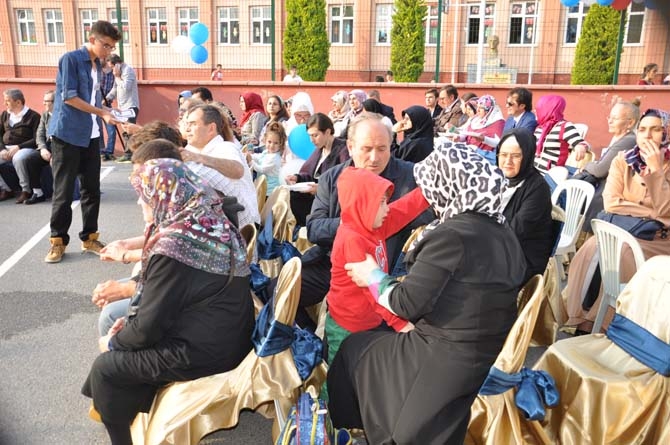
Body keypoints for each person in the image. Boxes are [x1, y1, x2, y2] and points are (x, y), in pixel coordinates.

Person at [327, 140, 527, 445]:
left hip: (445, 352)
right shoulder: (502, 230)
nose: (432, 198)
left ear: (446, 186)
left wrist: (374, 276)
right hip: (487, 345)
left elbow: (406, 304)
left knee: (354, 350)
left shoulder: (451, 235)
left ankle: (358, 425)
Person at [82, 158, 254, 445]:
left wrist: (113, 343)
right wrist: (128, 329)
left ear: (165, 195)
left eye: (144, 196)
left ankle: (120, 432)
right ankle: (117, 404)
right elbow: (168, 302)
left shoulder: (176, 244)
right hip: (230, 335)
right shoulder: (207, 220)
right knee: (122, 348)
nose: (140, 204)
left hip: (208, 350)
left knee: (107, 366)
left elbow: (149, 326)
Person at [297, 114, 434, 329]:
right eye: (367, 148)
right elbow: (314, 228)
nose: (374, 158)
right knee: (278, 291)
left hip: (389, 272)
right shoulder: (332, 177)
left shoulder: (413, 176)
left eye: (382, 149)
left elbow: (409, 215)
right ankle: (307, 342)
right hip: (333, 266)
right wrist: (354, 224)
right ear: (350, 147)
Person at [564, 108, 670, 333]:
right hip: (627, 231)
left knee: (622, 253)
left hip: (659, 239)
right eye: (642, 130)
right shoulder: (624, 159)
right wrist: (651, 214)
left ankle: (611, 324)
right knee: (592, 247)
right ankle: (584, 320)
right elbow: (611, 202)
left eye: (655, 130)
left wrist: (657, 171)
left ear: (666, 133)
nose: (647, 136)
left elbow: (666, 208)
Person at [325, 166, 429, 364]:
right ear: (362, 205)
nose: (387, 208)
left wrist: (430, 191)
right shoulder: (352, 239)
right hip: (347, 325)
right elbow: (371, 289)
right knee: (341, 369)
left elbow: (404, 209)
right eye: (380, 203)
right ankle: (327, 396)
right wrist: (400, 324)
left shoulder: (372, 225)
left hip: (370, 318)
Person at [45, 20, 121, 263]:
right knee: (64, 192)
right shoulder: (70, 59)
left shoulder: (97, 65)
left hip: (91, 135)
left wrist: (110, 115)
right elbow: (69, 97)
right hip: (67, 134)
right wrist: (102, 113)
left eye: (112, 48)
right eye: (106, 46)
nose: (109, 51)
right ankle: (58, 241)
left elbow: (93, 98)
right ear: (92, 39)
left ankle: (89, 237)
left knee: (92, 190)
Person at [181, 104, 260, 229]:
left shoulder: (225, 147)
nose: (187, 129)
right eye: (187, 124)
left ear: (211, 128)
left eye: (193, 124)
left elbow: (237, 170)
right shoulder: (193, 149)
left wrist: (198, 158)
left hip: (241, 230)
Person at [572, 100, 639, 231]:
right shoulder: (621, 139)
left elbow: (599, 170)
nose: (610, 121)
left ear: (630, 123)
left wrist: (587, 165)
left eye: (615, 118)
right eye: (610, 117)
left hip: (607, 196)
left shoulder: (628, 141)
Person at [497, 128, 554, 281]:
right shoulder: (495, 178)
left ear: (527, 156)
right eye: (503, 155)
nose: (508, 161)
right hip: (496, 247)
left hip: (522, 257)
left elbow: (517, 230)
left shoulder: (537, 188)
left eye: (515, 156)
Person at [286, 112, 349, 226]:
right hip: (315, 196)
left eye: (315, 135)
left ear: (328, 132)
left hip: (331, 203)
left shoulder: (343, 150)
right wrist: (297, 178)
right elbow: (310, 173)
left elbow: (346, 180)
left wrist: (321, 189)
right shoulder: (320, 149)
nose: (311, 140)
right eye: (309, 136)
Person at [11, 90, 56, 205]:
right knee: (30, 159)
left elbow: (63, 137)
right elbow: (39, 135)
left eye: (47, 101)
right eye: (44, 101)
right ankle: (38, 192)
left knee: (58, 162)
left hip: (60, 148)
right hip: (47, 147)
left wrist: (55, 154)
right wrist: (42, 149)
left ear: (56, 102)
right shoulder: (45, 115)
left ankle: (58, 192)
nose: (44, 103)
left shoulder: (62, 116)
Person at [0, 88, 41, 203]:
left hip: (26, 148)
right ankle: (6, 189)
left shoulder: (34, 116)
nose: (5, 103)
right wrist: (2, 149)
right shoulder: (4, 115)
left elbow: (36, 138)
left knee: (19, 158)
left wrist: (18, 147)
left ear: (18, 102)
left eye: (7, 101)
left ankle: (26, 190)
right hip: (6, 148)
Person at [533, 94, 589, 174]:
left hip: (551, 175)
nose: (535, 111)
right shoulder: (539, 127)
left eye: (538, 108)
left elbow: (581, 142)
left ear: (549, 109)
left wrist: (580, 146)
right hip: (533, 173)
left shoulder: (564, 126)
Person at [105, 54, 139, 163]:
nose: (111, 70)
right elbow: (115, 89)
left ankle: (130, 154)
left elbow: (126, 87)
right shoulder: (117, 75)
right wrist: (107, 98)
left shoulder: (128, 71)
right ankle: (128, 153)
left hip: (130, 106)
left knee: (129, 130)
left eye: (112, 67)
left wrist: (118, 76)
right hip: (122, 107)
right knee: (125, 130)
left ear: (117, 65)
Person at [248, 122, 285, 196]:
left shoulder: (274, 158)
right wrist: (250, 155)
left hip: (270, 191)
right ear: (265, 140)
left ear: (281, 144)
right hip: (263, 188)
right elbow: (259, 157)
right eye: (269, 142)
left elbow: (261, 169)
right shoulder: (266, 152)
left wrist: (250, 161)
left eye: (276, 143)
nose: (272, 145)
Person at [99, 61, 117, 161]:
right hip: (96, 104)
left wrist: (106, 101)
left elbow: (115, 89)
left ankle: (109, 152)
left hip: (107, 103)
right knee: (99, 130)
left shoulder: (113, 73)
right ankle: (101, 152)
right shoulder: (97, 72)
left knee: (112, 129)